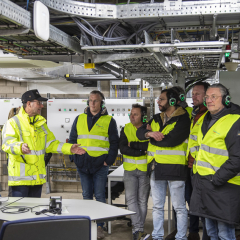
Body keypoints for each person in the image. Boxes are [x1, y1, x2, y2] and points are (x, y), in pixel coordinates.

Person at [2, 89, 84, 198]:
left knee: (34, 212)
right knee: (18, 212)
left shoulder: (41, 124)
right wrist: (20, 147)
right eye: (39, 103)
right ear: (28, 104)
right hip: (20, 181)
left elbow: (51, 144)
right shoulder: (13, 123)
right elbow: (7, 144)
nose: (42, 106)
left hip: (36, 179)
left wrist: (69, 148)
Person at [137, 88, 191, 240]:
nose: (158, 101)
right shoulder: (155, 118)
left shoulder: (183, 119)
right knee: (157, 207)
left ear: (172, 101)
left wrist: (151, 137)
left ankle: (181, 237)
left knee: (179, 207)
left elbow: (172, 140)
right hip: (156, 168)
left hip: (175, 168)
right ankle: (158, 236)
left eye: (161, 99)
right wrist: (148, 133)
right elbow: (139, 132)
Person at [190, 83, 240, 240]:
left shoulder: (235, 120)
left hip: (224, 186)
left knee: (225, 234)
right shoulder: (206, 118)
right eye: (207, 97)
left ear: (225, 99)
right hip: (205, 185)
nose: (209, 100)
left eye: (214, 97)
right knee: (211, 232)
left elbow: (237, 158)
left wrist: (216, 179)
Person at [68, 90, 119, 239]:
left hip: (100, 165)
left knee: (100, 196)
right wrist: (73, 157)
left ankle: (99, 227)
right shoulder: (79, 118)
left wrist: (108, 161)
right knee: (86, 196)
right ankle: (88, 224)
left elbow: (114, 143)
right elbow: (72, 139)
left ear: (101, 103)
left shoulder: (109, 120)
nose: (92, 103)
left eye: (95, 101)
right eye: (90, 100)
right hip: (82, 164)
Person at [166, 82, 210, 240]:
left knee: (195, 202)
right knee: (178, 201)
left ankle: (193, 232)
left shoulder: (195, 113)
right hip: (181, 164)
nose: (193, 97)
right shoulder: (182, 114)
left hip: (197, 166)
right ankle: (180, 231)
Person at [119, 104, 150, 240]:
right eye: (131, 114)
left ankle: (138, 229)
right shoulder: (125, 128)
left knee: (142, 201)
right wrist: (141, 151)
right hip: (130, 170)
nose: (132, 116)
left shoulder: (149, 129)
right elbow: (123, 149)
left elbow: (149, 146)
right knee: (131, 200)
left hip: (144, 170)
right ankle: (138, 229)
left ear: (143, 116)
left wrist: (135, 146)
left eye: (135, 114)